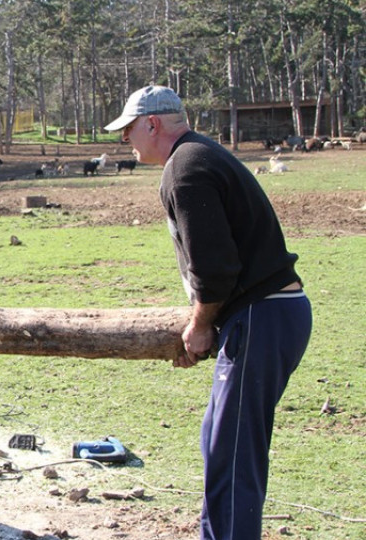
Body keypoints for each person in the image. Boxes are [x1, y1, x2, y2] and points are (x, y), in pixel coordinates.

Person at [105, 86, 312, 540]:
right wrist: (207, 324)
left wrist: (199, 326)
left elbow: (215, 266)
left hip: (262, 314)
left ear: (153, 124)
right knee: (219, 441)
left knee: (231, 453)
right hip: (264, 314)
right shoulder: (200, 156)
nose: (127, 141)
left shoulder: (186, 166)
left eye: (129, 131)